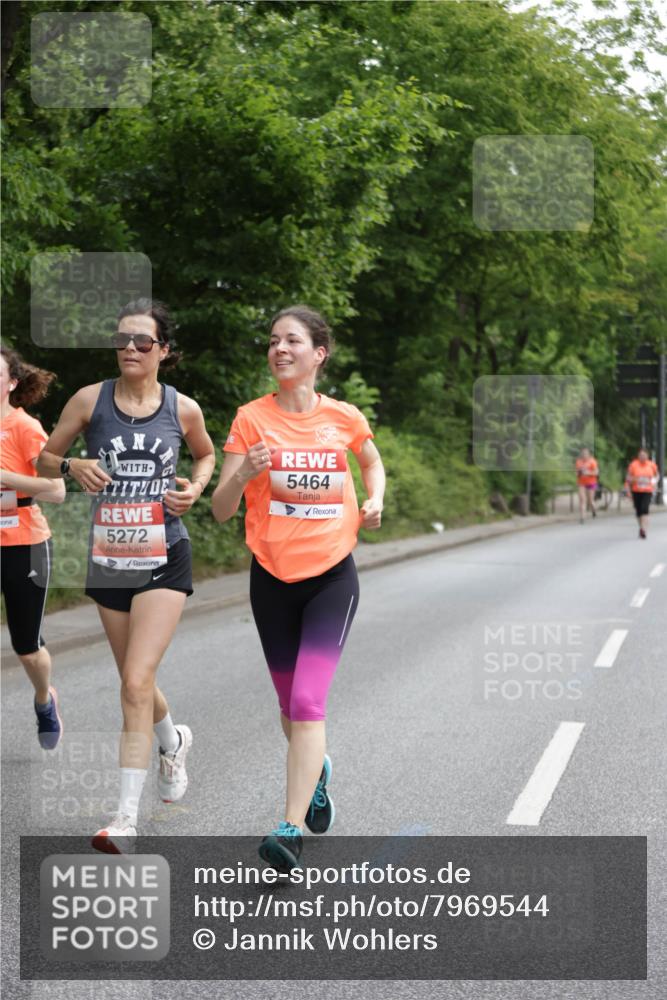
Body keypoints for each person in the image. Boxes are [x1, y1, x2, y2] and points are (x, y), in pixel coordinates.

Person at [37, 299, 215, 852]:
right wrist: (72, 465)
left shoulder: (183, 409)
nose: (130, 350)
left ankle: (124, 820)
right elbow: (45, 457)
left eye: (142, 342)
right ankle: (173, 738)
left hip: (165, 554)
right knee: (134, 682)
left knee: (136, 682)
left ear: (164, 350)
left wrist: (195, 487)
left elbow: (206, 455)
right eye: (122, 341)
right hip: (110, 556)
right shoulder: (90, 400)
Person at [212, 304, 385, 872]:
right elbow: (219, 510)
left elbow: (371, 460)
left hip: (332, 576)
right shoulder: (250, 419)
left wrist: (374, 497)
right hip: (272, 578)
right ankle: (319, 773)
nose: (279, 349)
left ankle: (288, 829)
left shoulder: (344, 417)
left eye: (292, 340)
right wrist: (244, 472)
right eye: (273, 340)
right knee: (289, 710)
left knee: (309, 702)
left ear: (319, 354)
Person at [1, 347, 65, 749]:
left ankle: (44, 698)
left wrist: (5, 476)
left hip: (23, 544)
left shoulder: (25, 427)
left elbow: (57, 490)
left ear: (10, 383)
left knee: (26, 648)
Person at [625, 447, 659, 539]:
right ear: (638, 456)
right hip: (636, 490)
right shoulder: (633, 465)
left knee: (645, 509)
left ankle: (644, 529)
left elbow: (656, 476)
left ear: (647, 456)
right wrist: (628, 488)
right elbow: (628, 478)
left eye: (644, 455)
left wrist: (654, 483)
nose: (642, 457)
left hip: (647, 490)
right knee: (638, 511)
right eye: (641, 455)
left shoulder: (652, 465)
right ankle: (641, 527)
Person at [575, 446, 598, 523]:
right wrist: (578, 473)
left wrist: (588, 473)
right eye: (583, 453)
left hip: (591, 483)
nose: (584, 455)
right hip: (581, 483)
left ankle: (593, 510)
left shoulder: (592, 461)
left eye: (586, 453)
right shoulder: (578, 462)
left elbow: (596, 472)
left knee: (590, 501)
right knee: (582, 500)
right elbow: (576, 472)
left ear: (589, 454)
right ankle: (582, 517)